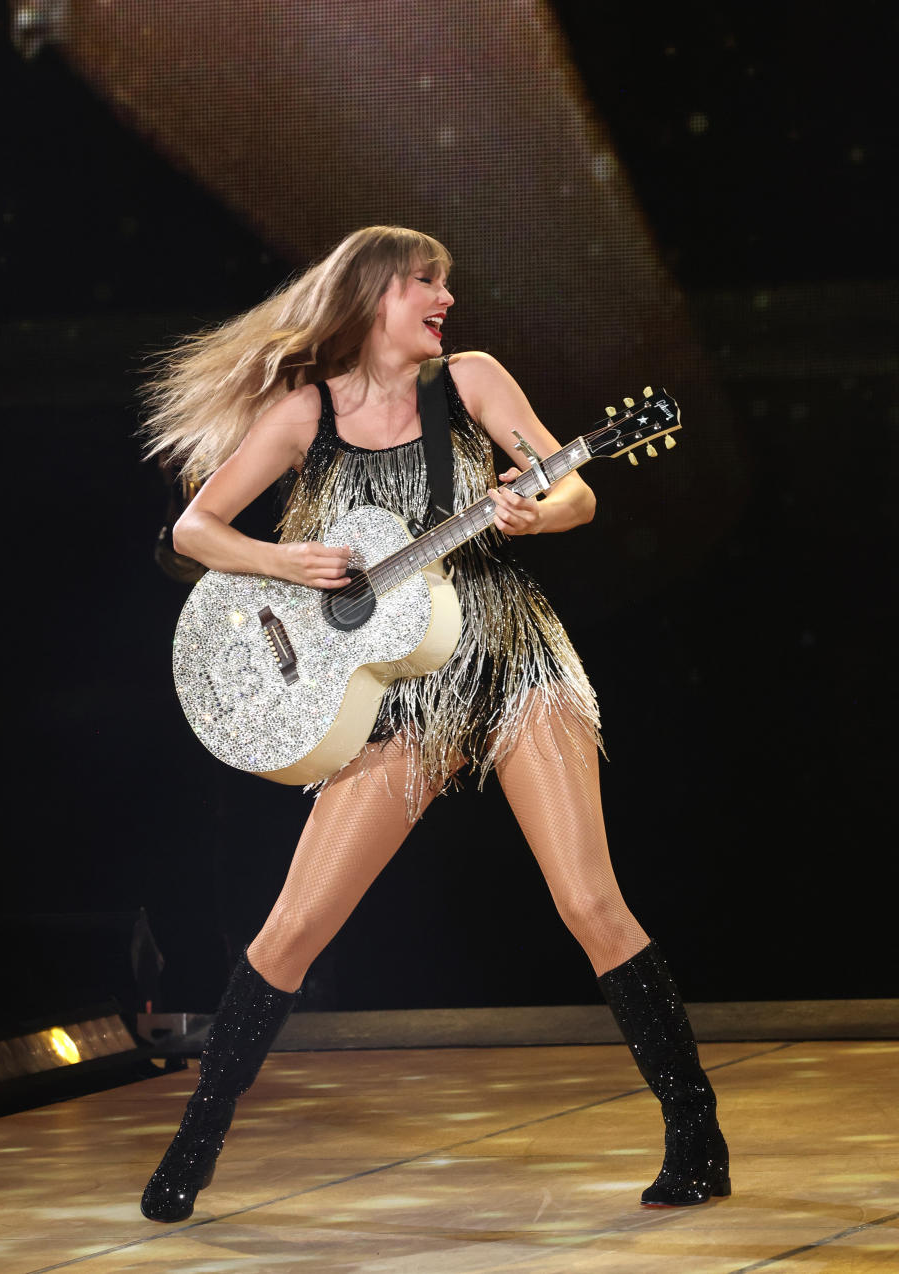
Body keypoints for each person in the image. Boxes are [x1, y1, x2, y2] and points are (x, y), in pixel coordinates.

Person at [139, 225, 729, 1222]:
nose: (443, 296)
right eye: (425, 281)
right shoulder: (304, 412)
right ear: (373, 296)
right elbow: (194, 530)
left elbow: (571, 483)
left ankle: (697, 1134)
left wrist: (547, 510)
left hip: (508, 652)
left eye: (445, 283)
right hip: (383, 685)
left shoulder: (474, 380)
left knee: (589, 900)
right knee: (292, 928)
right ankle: (194, 1145)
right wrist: (294, 563)